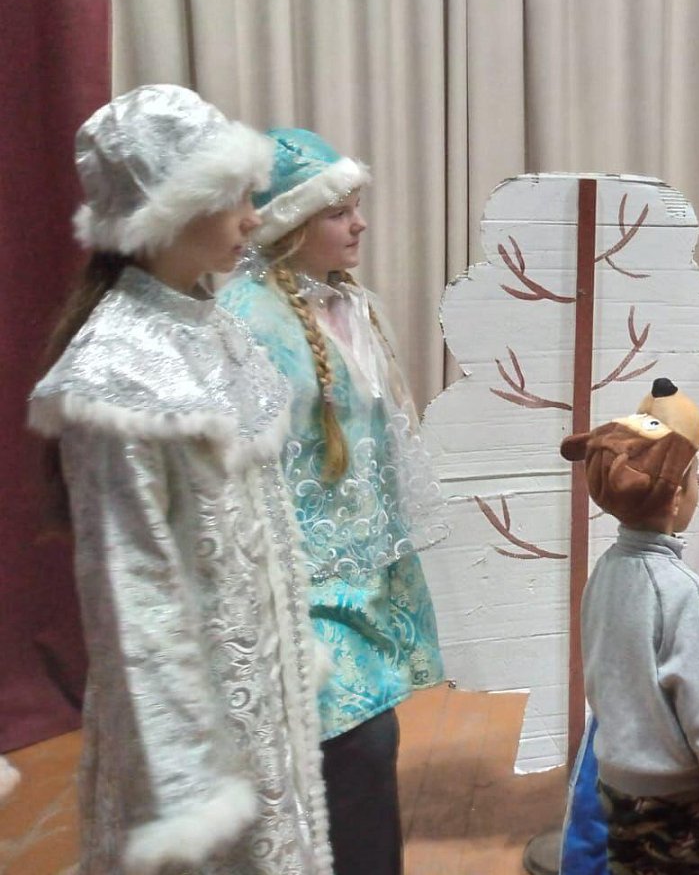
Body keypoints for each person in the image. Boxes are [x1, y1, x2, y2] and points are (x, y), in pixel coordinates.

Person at [29, 85, 332, 874]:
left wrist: (287, 651)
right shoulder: (116, 371)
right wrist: (186, 782)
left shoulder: (217, 331)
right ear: (168, 209)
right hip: (196, 730)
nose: (253, 218)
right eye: (233, 198)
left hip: (258, 693)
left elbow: (265, 520)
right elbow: (131, 593)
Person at [219, 129, 446, 875]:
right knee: (357, 747)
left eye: (357, 207)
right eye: (339, 212)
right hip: (299, 584)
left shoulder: (355, 306)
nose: (360, 224)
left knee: (365, 755)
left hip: (364, 573)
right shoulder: (245, 318)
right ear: (291, 223)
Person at [563, 378, 699, 875]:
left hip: (614, 779)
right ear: (675, 501)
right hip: (675, 792)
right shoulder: (681, 591)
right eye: (694, 481)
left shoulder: (603, 572)